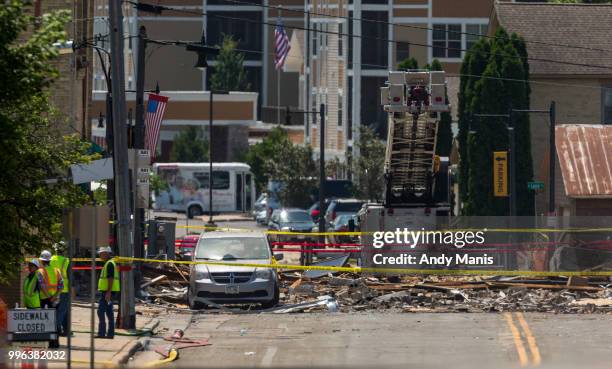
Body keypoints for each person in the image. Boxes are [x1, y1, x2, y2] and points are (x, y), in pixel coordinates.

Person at [38, 250, 63, 348]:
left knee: (45, 321)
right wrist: (55, 296)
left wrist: (49, 297)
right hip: (55, 300)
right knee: (54, 321)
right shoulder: (57, 270)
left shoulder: (40, 271)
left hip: (45, 299)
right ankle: (55, 343)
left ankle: (47, 342)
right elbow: (61, 286)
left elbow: (42, 286)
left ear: (41, 261)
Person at [97, 246, 120, 339]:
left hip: (107, 292)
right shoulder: (110, 263)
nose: (100, 255)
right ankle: (110, 334)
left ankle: (102, 333)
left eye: (101, 253)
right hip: (109, 291)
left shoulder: (110, 264)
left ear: (106, 253)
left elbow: (110, 278)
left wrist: (108, 292)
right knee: (109, 312)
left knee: (100, 311)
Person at [50, 245, 70, 336]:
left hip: (52, 289)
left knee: (62, 310)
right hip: (64, 289)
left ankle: (66, 330)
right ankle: (56, 329)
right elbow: (70, 276)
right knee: (62, 310)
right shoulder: (66, 261)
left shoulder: (50, 259)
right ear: (64, 251)